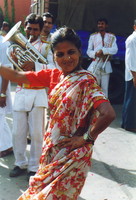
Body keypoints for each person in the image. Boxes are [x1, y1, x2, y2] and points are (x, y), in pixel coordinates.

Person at [0, 27, 116, 199]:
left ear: (79, 52)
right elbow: (19, 76)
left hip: (73, 152)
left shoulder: (86, 81)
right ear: (53, 56)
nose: (66, 58)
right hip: (52, 148)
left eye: (71, 52)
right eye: (60, 54)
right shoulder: (54, 74)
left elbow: (109, 114)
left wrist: (86, 138)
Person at [9, 13, 56, 179]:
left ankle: (34, 165)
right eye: (29, 28)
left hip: (37, 92)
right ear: (25, 28)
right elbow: (12, 69)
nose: (32, 31)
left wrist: (35, 65)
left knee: (37, 133)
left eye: (35, 29)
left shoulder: (47, 47)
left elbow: (53, 67)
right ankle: (19, 163)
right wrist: (14, 61)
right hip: (22, 90)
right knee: (17, 132)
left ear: (40, 30)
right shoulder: (18, 45)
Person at [87, 18, 118, 97]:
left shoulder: (111, 37)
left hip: (106, 64)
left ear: (106, 25)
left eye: (102, 24)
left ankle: (104, 107)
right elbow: (88, 51)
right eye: (99, 24)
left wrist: (103, 51)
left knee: (104, 89)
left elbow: (115, 50)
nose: (100, 25)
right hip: (95, 64)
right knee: (94, 88)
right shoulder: (93, 36)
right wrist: (96, 53)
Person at [121, 20, 136, 132]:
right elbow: (130, 60)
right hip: (133, 74)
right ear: (134, 27)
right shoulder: (132, 39)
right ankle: (129, 124)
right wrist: (135, 76)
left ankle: (126, 122)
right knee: (131, 100)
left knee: (130, 100)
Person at [0, 35, 13, 157]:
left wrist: (3, 93)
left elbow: (7, 69)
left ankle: (6, 147)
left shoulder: (3, 44)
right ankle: (7, 145)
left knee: (0, 117)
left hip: (0, 87)